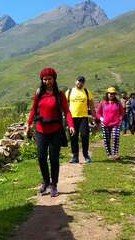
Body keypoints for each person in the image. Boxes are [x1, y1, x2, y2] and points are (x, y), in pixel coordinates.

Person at [26, 67, 75, 197]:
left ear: (54, 79)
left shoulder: (59, 94)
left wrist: (71, 125)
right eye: (45, 79)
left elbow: (67, 111)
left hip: (55, 130)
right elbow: (33, 109)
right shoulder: (38, 94)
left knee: (54, 159)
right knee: (41, 157)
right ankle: (45, 181)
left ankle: (54, 185)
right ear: (42, 80)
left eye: (49, 79)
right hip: (41, 130)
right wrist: (28, 123)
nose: (47, 81)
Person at [66, 76, 95, 164]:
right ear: (75, 81)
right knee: (73, 137)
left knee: (84, 135)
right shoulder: (69, 92)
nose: (80, 83)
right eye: (79, 81)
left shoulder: (86, 92)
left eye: (82, 82)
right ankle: (75, 157)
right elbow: (65, 105)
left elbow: (91, 105)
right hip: (72, 117)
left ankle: (86, 155)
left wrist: (94, 116)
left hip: (83, 117)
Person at [96, 87, 124, 160]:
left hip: (115, 123)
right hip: (105, 124)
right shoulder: (102, 103)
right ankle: (109, 154)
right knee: (107, 139)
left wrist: (120, 119)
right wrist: (102, 119)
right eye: (110, 93)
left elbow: (122, 112)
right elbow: (98, 113)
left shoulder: (118, 103)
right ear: (107, 94)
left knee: (115, 137)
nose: (112, 95)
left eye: (113, 93)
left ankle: (115, 154)